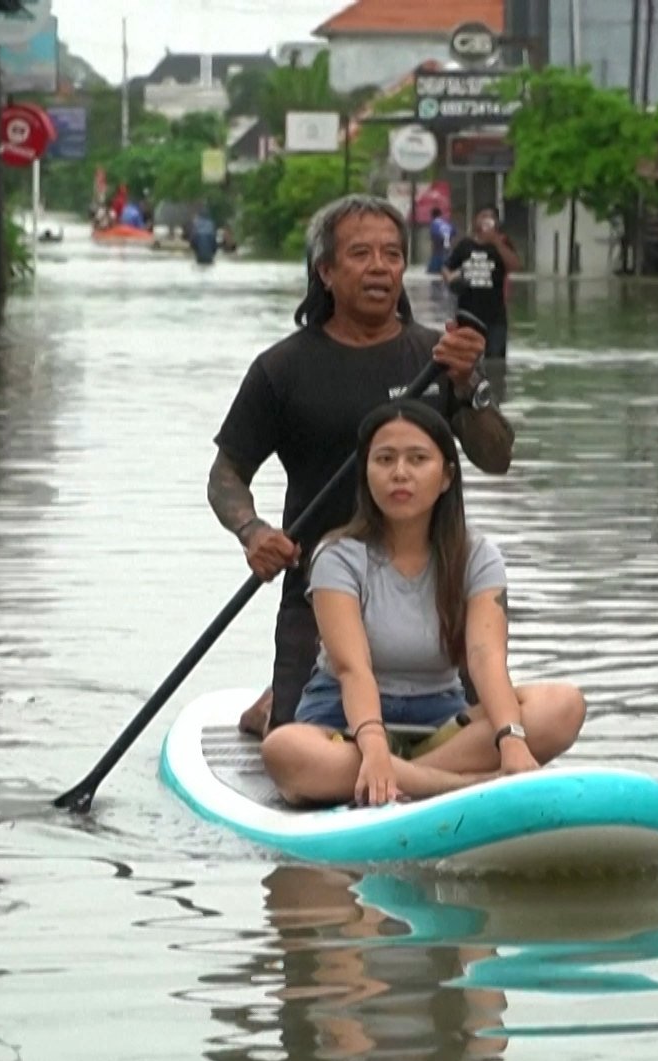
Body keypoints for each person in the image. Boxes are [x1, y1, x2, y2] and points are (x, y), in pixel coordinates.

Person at [210, 195, 515, 738]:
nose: (380, 267)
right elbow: (226, 474)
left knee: (490, 730)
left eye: (393, 254)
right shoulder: (282, 368)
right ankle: (273, 706)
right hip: (321, 588)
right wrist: (253, 532)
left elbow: (496, 458)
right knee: (295, 745)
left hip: (433, 586)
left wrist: (469, 385)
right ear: (325, 270)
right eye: (360, 254)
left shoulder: (441, 359)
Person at [261, 401, 584, 806]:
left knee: (563, 705)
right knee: (284, 750)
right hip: (346, 724)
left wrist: (512, 739)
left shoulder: (477, 556)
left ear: (447, 476)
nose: (400, 473)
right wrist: (375, 745)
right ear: (366, 473)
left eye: (417, 459)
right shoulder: (338, 555)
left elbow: (485, 658)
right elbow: (352, 666)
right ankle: (460, 785)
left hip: (441, 721)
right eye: (384, 459)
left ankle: (404, 777)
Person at [443, 206, 521, 359]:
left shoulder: (502, 244)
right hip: (467, 314)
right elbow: (446, 267)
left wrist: (496, 242)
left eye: (490, 217)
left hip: (495, 317)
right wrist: (451, 279)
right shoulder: (465, 245)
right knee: (466, 359)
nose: (486, 220)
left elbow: (515, 267)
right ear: (475, 220)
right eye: (482, 216)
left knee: (496, 361)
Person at [427, 208, 455, 275]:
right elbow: (453, 232)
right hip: (447, 246)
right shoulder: (446, 223)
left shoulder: (434, 224)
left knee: (433, 272)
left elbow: (434, 236)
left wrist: (434, 245)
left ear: (432, 216)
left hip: (438, 249)